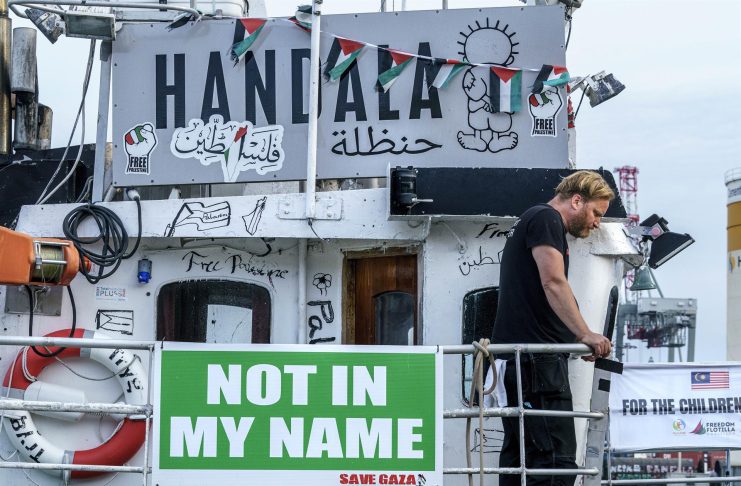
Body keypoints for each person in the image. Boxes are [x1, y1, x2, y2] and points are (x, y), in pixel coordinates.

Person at [491, 170, 614, 486]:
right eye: (596, 213)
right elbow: (553, 282)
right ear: (577, 200)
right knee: (555, 461)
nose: (597, 223)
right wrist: (585, 333)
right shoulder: (546, 219)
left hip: (520, 361)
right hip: (536, 365)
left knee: (520, 458)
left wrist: (575, 337)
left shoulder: (532, 219)